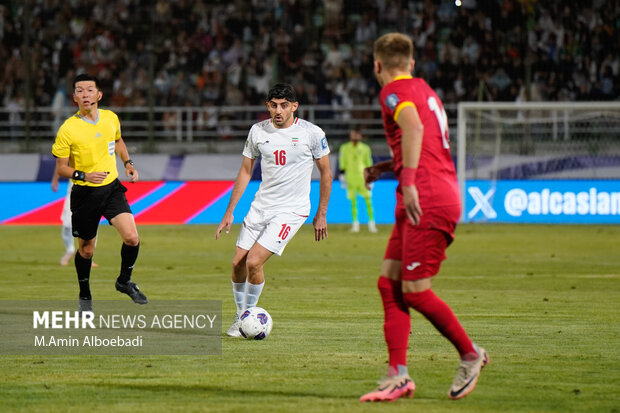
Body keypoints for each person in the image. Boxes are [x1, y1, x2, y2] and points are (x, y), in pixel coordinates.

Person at [360, 33, 488, 402]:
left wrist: (411, 182)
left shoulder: (392, 92)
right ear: (412, 63)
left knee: (415, 291)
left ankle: (470, 354)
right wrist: (387, 167)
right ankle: (397, 374)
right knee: (390, 284)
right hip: (428, 190)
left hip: (426, 196)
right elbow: (425, 140)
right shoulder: (425, 90)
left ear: (377, 65)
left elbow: (414, 128)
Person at [216, 83, 332, 337]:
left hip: (291, 210)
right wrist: (230, 210)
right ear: (267, 105)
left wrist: (321, 213)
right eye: (273, 105)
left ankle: (249, 315)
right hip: (261, 206)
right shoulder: (258, 131)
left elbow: (326, 173)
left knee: (254, 262)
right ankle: (240, 316)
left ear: (294, 106)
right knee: (238, 263)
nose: (278, 111)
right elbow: (246, 171)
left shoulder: (311, 133)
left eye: (284, 105)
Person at [51, 73, 147, 313]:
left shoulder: (110, 118)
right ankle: (85, 294)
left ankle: (124, 281)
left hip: (112, 189)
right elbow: (62, 167)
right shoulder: (68, 129)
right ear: (74, 98)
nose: (85, 94)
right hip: (84, 194)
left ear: (98, 95)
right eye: (80, 91)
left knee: (132, 238)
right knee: (86, 250)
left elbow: (119, 141)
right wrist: (84, 176)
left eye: (89, 90)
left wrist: (128, 163)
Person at [51, 166, 98, 268]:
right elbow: (61, 163)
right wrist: (55, 179)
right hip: (74, 190)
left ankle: (89, 256)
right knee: (67, 224)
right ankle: (70, 250)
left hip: (93, 191)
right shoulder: (73, 150)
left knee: (91, 224)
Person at [338, 127, 377, 233]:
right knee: (353, 201)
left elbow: (368, 162)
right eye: (353, 134)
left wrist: (371, 177)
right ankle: (355, 224)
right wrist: (342, 175)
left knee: (368, 200)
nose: (355, 136)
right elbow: (342, 161)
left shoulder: (365, 148)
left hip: (362, 177)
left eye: (356, 134)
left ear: (360, 136)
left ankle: (371, 223)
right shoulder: (344, 148)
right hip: (350, 177)